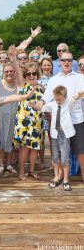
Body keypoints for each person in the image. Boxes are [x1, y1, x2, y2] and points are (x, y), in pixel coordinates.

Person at [40, 51, 84, 182]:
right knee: (58, 150)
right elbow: (47, 96)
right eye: (64, 60)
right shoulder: (54, 79)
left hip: (76, 118)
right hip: (59, 121)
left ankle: (83, 172)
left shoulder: (80, 78)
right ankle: (58, 175)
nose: (67, 62)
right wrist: (40, 102)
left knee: (80, 149)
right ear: (59, 62)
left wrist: (78, 95)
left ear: (73, 62)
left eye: (69, 60)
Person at [33, 86, 84, 191]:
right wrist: (34, 105)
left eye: (60, 99)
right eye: (56, 99)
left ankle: (65, 180)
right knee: (55, 157)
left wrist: (79, 94)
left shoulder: (68, 102)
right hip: (55, 134)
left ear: (65, 97)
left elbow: (75, 97)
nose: (58, 101)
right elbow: (42, 108)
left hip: (65, 134)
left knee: (64, 158)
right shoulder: (52, 104)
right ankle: (56, 177)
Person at [11, 47, 44, 181]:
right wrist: (13, 58)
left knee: (35, 147)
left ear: (37, 74)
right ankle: (21, 171)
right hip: (24, 122)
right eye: (29, 74)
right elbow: (18, 70)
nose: (31, 76)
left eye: (34, 73)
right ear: (25, 76)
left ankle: (31, 171)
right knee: (25, 148)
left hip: (37, 121)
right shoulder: (22, 85)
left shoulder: (42, 87)